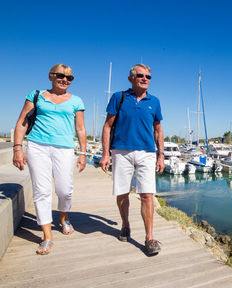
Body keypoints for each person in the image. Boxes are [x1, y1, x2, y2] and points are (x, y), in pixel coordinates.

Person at [13, 63, 87, 255]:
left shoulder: (76, 101)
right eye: (61, 76)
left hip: (64, 148)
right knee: (42, 190)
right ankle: (47, 236)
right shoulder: (36, 96)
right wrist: (18, 148)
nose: (65, 80)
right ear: (51, 76)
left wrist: (83, 153)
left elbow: (80, 129)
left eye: (69, 77)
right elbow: (22, 122)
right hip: (37, 146)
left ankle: (63, 217)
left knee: (65, 190)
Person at [100, 64, 164, 256]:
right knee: (122, 193)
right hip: (121, 151)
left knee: (147, 194)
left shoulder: (155, 101)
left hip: (147, 153)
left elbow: (158, 130)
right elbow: (107, 127)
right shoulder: (119, 98)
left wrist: (161, 155)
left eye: (148, 77)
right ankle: (126, 225)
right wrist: (105, 154)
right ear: (131, 78)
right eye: (140, 75)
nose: (145, 79)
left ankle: (149, 237)